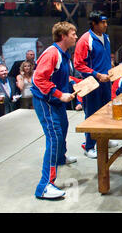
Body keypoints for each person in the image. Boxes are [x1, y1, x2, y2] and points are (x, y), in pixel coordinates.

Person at [31, 21, 78, 199]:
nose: (76, 36)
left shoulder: (64, 54)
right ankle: (44, 186)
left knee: (63, 127)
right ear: (63, 36)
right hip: (46, 102)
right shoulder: (52, 53)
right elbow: (39, 79)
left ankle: (60, 158)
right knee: (55, 137)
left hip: (56, 101)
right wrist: (59, 94)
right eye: (73, 33)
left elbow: (63, 75)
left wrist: (74, 84)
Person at [74, 11, 117, 159]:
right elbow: (78, 64)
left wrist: (110, 70)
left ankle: (104, 140)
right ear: (94, 23)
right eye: (103, 22)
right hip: (91, 84)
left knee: (106, 112)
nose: (106, 25)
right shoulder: (85, 40)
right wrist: (97, 74)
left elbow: (103, 59)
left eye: (106, 22)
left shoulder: (106, 38)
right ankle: (89, 146)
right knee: (91, 114)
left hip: (106, 82)